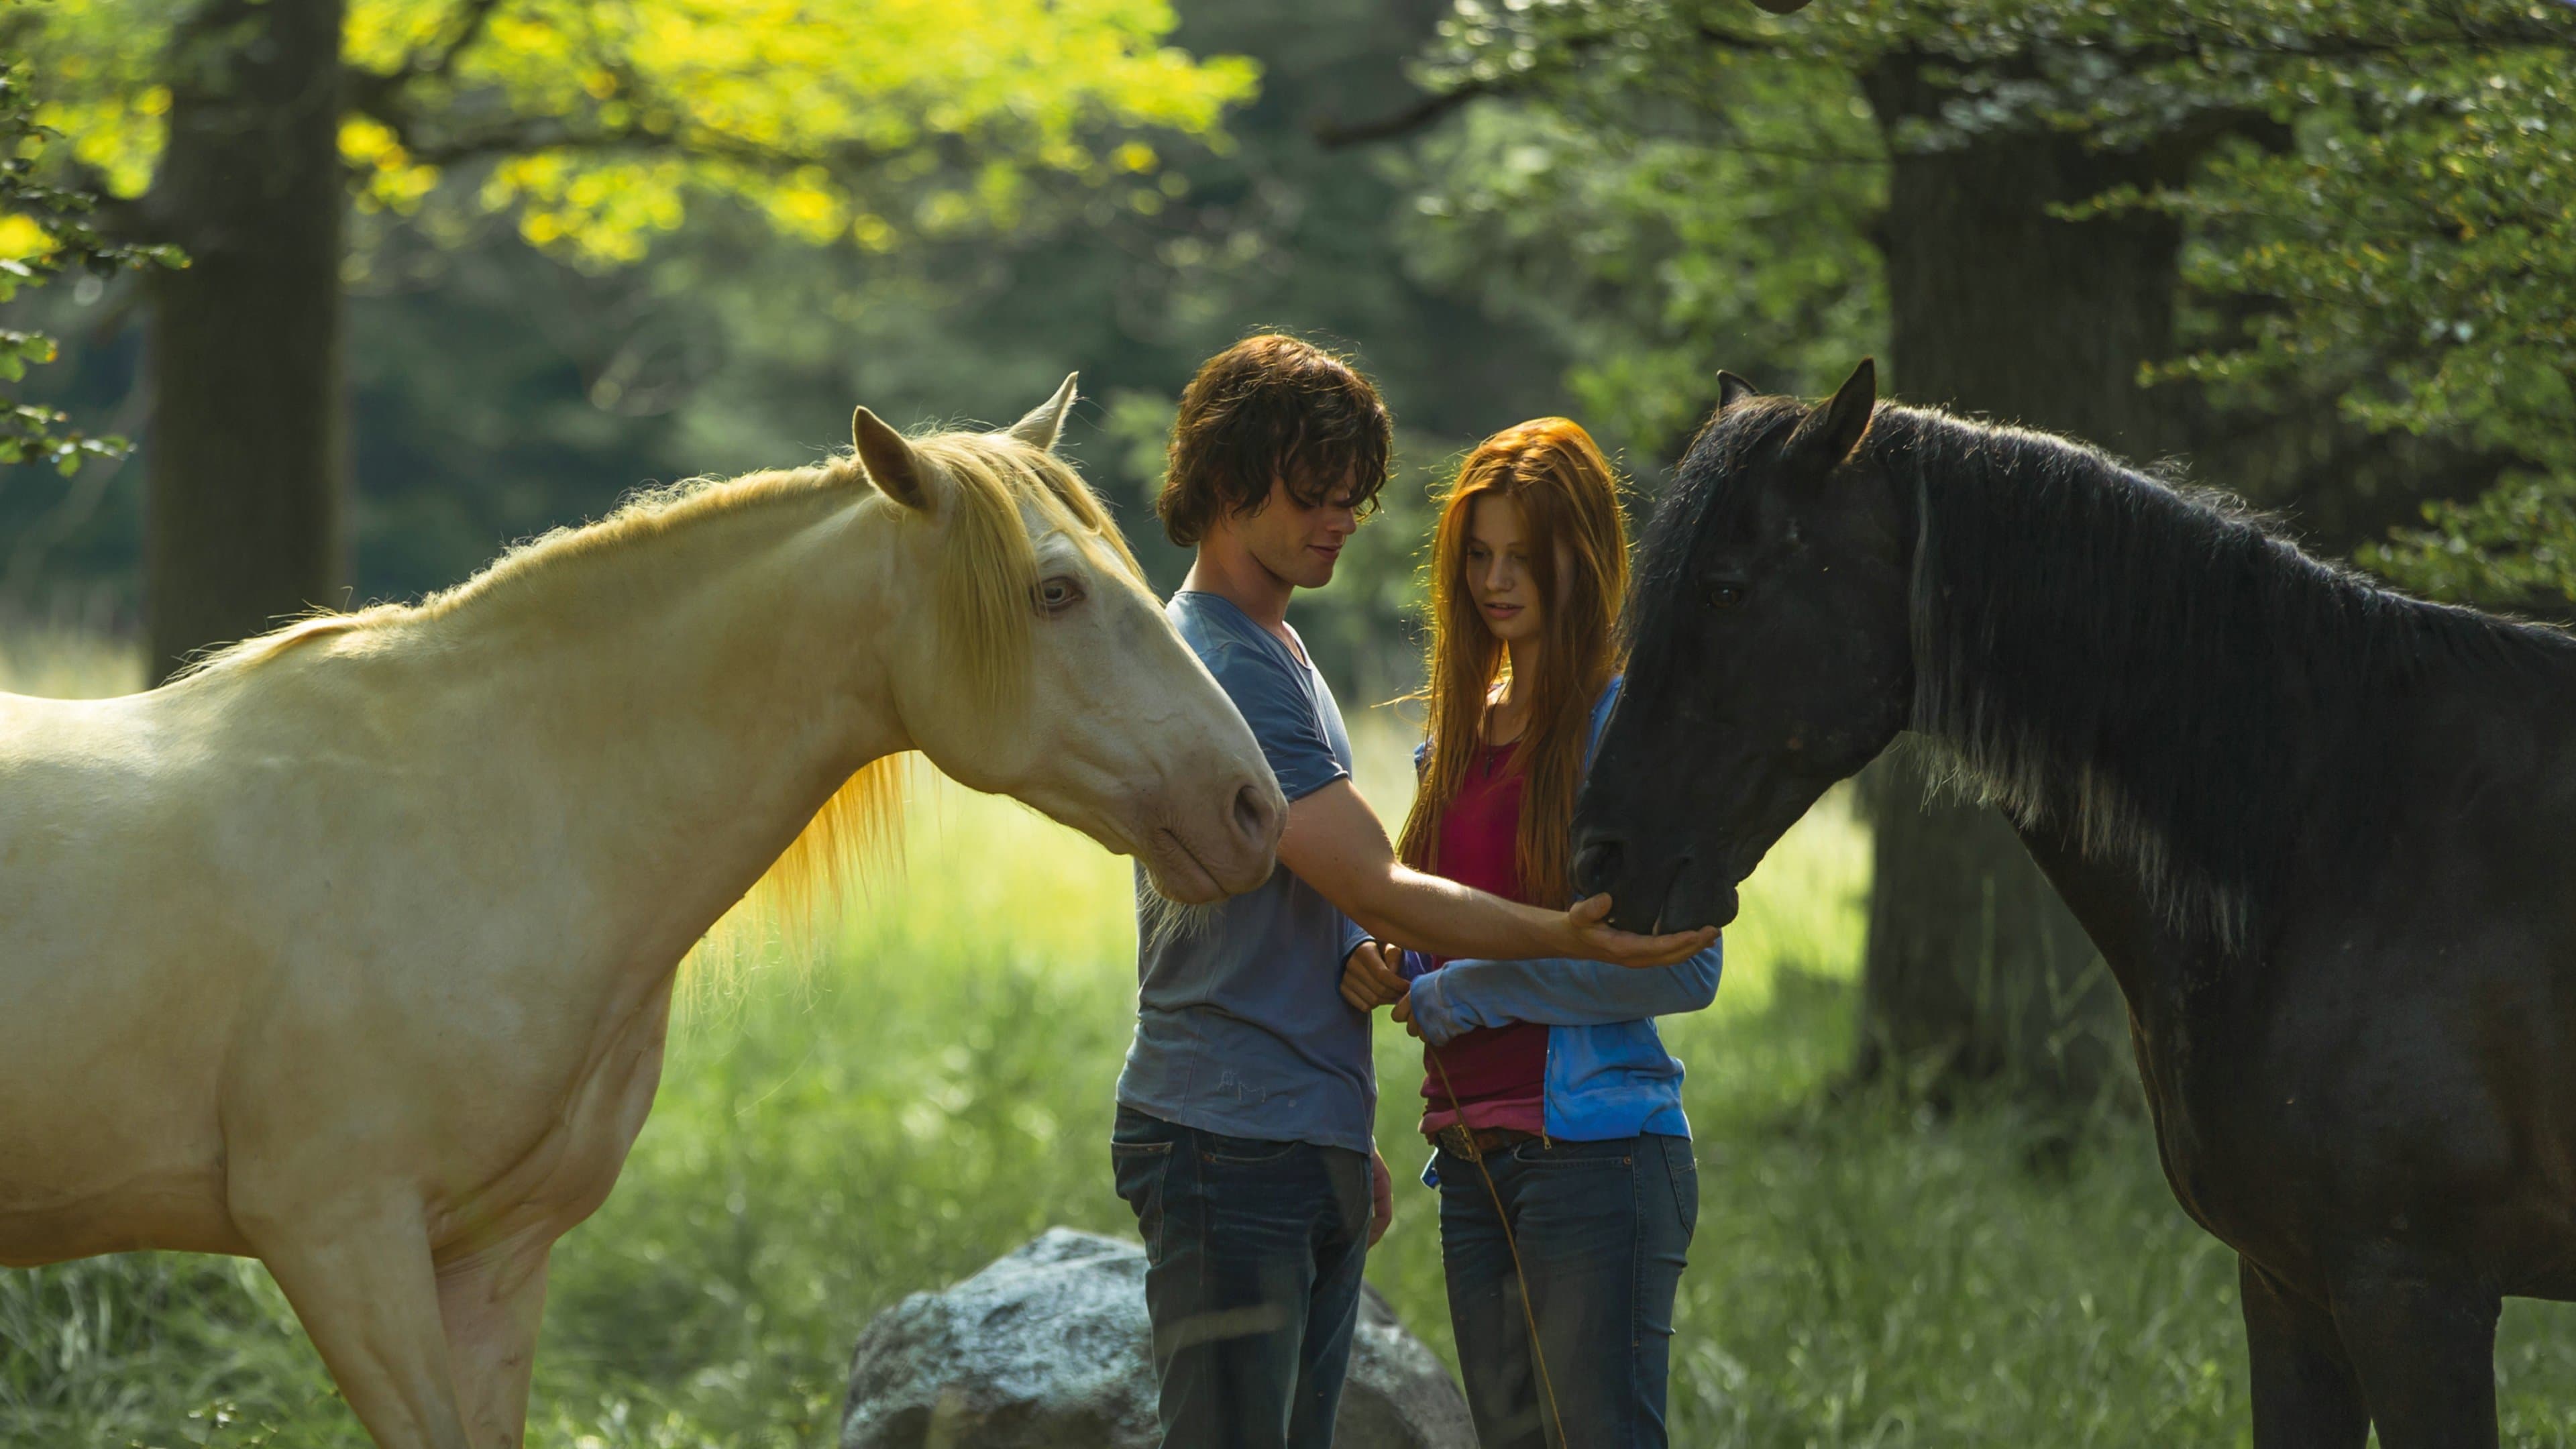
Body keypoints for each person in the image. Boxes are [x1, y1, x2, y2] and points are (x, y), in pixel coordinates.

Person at [1113, 338, 1713, 1449]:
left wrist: (1370, 1055)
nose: (1341, 520)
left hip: (1514, 1148)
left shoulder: (1288, 653)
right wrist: (1448, 956)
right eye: (1313, 495)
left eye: (1352, 497)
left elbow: (1676, 959)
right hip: (1273, 1139)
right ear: (1229, 482)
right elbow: (1385, 890)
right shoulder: (1241, 668)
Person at [1341, 417, 1723, 1449]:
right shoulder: (1451, 742)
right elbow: (1454, 928)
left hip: (1596, 1161)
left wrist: (1465, 993)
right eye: (1478, 554)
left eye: (1524, 556)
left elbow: (1689, 968)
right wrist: (1390, 959)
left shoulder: (1624, 729)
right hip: (1468, 1158)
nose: (1496, 581)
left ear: (1582, 558)